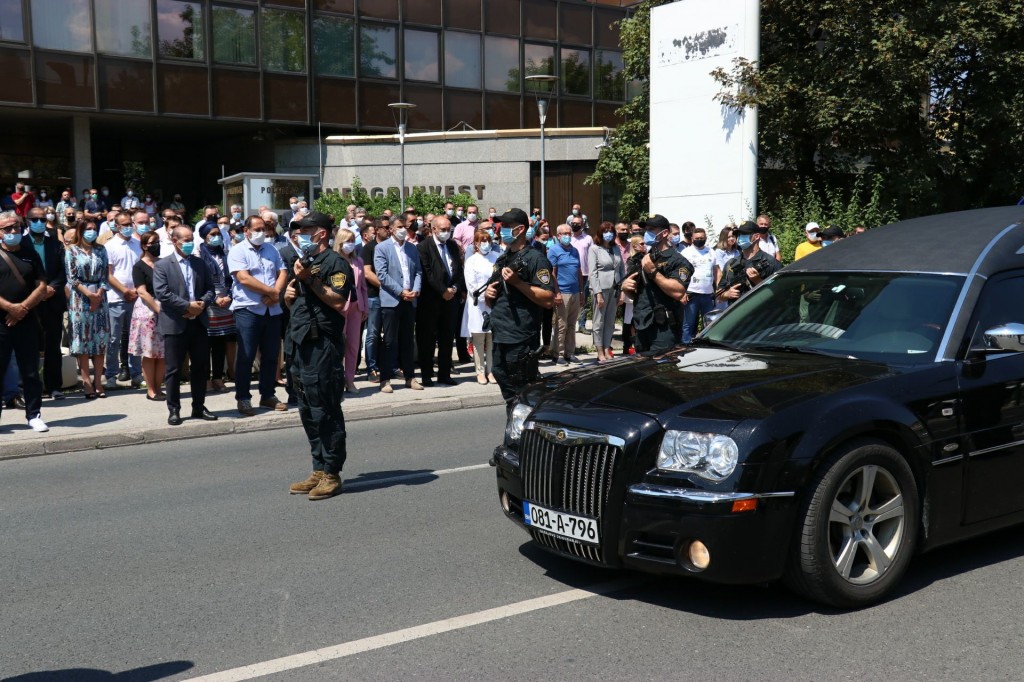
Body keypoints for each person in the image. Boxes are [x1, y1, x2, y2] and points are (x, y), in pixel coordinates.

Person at [284, 211, 355, 501]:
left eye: (305, 229)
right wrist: (287, 297)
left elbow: (338, 301)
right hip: (299, 342)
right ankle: (318, 467)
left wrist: (309, 281)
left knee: (325, 409)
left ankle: (332, 473)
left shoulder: (335, 263)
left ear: (321, 233)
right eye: (297, 230)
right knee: (307, 409)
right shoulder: (303, 262)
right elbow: (299, 301)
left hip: (322, 345)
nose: (299, 234)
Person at [484, 208, 555, 413]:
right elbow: (494, 298)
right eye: (500, 226)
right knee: (500, 373)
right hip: (501, 332)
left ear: (520, 229)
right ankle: (516, 420)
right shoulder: (502, 259)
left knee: (524, 388)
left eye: (506, 226)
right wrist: (489, 295)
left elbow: (549, 299)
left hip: (521, 335)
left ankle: (527, 431)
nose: (500, 230)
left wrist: (518, 283)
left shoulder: (535, 259)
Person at [152, 225, 218, 426]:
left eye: (192, 240)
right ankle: (174, 409)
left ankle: (199, 406)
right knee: (173, 370)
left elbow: (210, 289)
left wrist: (201, 305)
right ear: (175, 241)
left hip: (198, 322)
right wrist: (187, 306)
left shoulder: (200, 263)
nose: (190, 244)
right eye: (186, 240)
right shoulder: (163, 265)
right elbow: (162, 293)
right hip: (175, 323)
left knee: (200, 367)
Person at [228, 215, 288, 416]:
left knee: (271, 355)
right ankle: (243, 398)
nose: (261, 233)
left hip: (272, 310)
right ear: (246, 231)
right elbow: (243, 278)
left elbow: (282, 272)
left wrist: (275, 292)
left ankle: (267, 394)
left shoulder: (271, 249)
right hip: (249, 309)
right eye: (257, 229)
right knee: (246, 356)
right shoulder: (237, 251)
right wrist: (269, 292)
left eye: (264, 229)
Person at [0, 211, 49, 432]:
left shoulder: (30, 253)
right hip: (2, 322)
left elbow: (41, 285)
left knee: (30, 371)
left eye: (16, 227)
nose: (13, 232)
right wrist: (10, 308)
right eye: (7, 229)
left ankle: (33, 414)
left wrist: (22, 308)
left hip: (26, 320)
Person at [620, 214, 693, 354]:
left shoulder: (677, 260)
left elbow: (678, 292)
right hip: (643, 324)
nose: (646, 233)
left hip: (664, 328)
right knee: (643, 371)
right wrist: (627, 288)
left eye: (651, 229)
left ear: (664, 233)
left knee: (663, 371)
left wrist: (653, 271)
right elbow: (640, 293)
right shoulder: (643, 259)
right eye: (646, 229)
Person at [374, 216, 423, 393]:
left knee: (408, 340)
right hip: (391, 300)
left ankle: (410, 377)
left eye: (405, 226)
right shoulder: (382, 248)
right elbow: (382, 274)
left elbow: (418, 271)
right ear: (392, 229)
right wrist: (400, 291)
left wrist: (415, 290)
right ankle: (385, 379)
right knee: (389, 341)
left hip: (410, 300)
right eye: (400, 226)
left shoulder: (411, 248)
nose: (403, 229)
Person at [23, 207, 67, 399]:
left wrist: (51, 288)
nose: (39, 222)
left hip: (52, 300)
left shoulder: (55, 244)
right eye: (35, 219)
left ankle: (54, 386)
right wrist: (38, 291)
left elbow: (63, 272)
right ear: (28, 221)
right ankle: (29, 388)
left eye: (43, 219)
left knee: (52, 345)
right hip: (29, 300)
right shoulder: (21, 244)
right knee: (29, 345)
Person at [416, 216, 465, 386]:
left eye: (449, 229)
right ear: (434, 229)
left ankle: (444, 374)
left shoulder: (452, 245)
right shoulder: (423, 247)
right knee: (427, 339)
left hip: (451, 299)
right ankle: (427, 374)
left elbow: (459, 270)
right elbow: (427, 273)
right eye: (443, 229)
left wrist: (455, 289)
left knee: (446, 338)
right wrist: (442, 291)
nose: (446, 232)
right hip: (430, 300)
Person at [65, 220, 111, 399]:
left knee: (100, 340)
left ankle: (98, 382)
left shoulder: (101, 250)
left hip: (100, 297)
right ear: (80, 231)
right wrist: (89, 295)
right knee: (82, 341)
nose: (91, 232)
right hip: (79, 298)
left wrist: (98, 295)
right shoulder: (72, 251)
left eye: (94, 229)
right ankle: (86, 382)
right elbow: (72, 278)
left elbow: (105, 276)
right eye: (88, 229)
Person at [104, 211, 143, 389]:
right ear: (117, 226)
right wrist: (124, 290)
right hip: (116, 298)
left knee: (135, 338)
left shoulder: (138, 244)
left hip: (137, 297)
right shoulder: (110, 246)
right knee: (114, 338)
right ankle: (111, 375)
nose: (128, 227)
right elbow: (108, 274)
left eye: (130, 224)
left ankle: (136, 374)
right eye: (124, 225)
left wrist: (136, 290)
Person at [128, 231, 166, 401]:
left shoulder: (163, 263)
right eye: (152, 242)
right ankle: (151, 389)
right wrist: (158, 310)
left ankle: (159, 387)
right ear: (144, 246)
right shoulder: (139, 266)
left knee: (163, 353)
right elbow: (142, 292)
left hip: (165, 308)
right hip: (147, 311)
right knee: (150, 353)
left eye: (158, 241)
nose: (156, 245)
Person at [199, 219, 236, 393]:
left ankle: (218, 378)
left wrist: (227, 295)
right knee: (207, 344)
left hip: (225, 303)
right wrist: (214, 298)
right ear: (204, 237)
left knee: (221, 343)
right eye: (211, 235)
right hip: (209, 304)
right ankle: (205, 377)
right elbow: (200, 282)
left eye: (217, 234)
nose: (215, 237)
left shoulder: (224, 254)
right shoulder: (199, 256)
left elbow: (230, 279)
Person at [716, 220, 783, 306]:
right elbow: (719, 293)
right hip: (736, 316)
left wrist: (758, 281)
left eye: (744, 234)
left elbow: (780, 293)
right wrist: (727, 294)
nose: (739, 238)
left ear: (756, 236)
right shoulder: (731, 264)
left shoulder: (771, 263)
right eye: (738, 235)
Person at [334, 227, 367, 393]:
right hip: (340, 307)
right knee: (339, 344)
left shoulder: (358, 261)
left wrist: (365, 307)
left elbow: (362, 287)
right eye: (347, 241)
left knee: (353, 345)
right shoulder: (334, 260)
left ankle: (350, 380)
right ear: (339, 242)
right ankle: (337, 381)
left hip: (356, 306)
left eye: (353, 241)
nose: (350, 244)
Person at [463, 230, 499, 384]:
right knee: (479, 339)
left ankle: (491, 370)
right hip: (478, 304)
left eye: (488, 240)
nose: (486, 243)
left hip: (494, 303)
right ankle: (480, 371)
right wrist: (486, 297)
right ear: (476, 244)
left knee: (491, 338)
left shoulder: (496, 258)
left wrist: (494, 296)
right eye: (482, 240)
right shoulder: (471, 261)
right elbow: (472, 286)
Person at [547, 223, 583, 365]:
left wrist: (581, 291)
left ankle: (570, 352)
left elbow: (579, 272)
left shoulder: (575, 251)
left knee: (572, 324)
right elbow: (552, 273)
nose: (568, 236)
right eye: (564, 234)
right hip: (563, 292)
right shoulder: (554, 251)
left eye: (569, 233)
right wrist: (557, 293)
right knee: (561, 324)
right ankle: (558, 354)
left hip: (575, 292)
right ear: (558, 236)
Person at [588, 221, 624, 362]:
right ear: (600, 233)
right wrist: (598, 293)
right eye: (605, 231)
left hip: (615, 288)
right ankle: (599, 351)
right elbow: (592, 273)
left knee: (610, 322)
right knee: (599, 322)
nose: (608, 234)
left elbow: (621, 270)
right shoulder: (594, 249)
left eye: (610, 231)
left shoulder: (616, 248)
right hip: (600, 289)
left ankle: (607, 347)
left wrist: (621, 290)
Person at [360, 218, 389, 382]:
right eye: (385, 228)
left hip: (391, 297)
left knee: (390, 333)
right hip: (374, 296)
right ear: (377, 230)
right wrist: (387, 287)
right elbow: (367, 273)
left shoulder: (391, 247)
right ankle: (372, 368)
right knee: (373, 333)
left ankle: (390, 365)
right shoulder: (369, 248)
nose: (389, 230)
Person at [680, 226, 716, 344]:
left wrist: (717, 286)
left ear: (705, 238)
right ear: (692, 238)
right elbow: (681, 273)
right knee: (688, 324)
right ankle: (685, 347)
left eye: (702, 238)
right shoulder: (686, 252)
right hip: (692, 293)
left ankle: (707, 346)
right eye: (697, 238)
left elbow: (715, 270)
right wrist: (682, 291)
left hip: (707, 294)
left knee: (709, 324)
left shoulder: (711, 252)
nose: (699, 239)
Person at [569, 216, 593, 335]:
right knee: (571, 299)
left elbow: (592, 256)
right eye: (573, 223)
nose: (575, 225)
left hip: (585, 274)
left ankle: (582, 325)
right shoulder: (568, 238)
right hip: (570, 274)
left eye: (577, 223)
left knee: (583, 300)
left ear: (582, 225)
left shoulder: (588, 238)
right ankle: (571, 324)